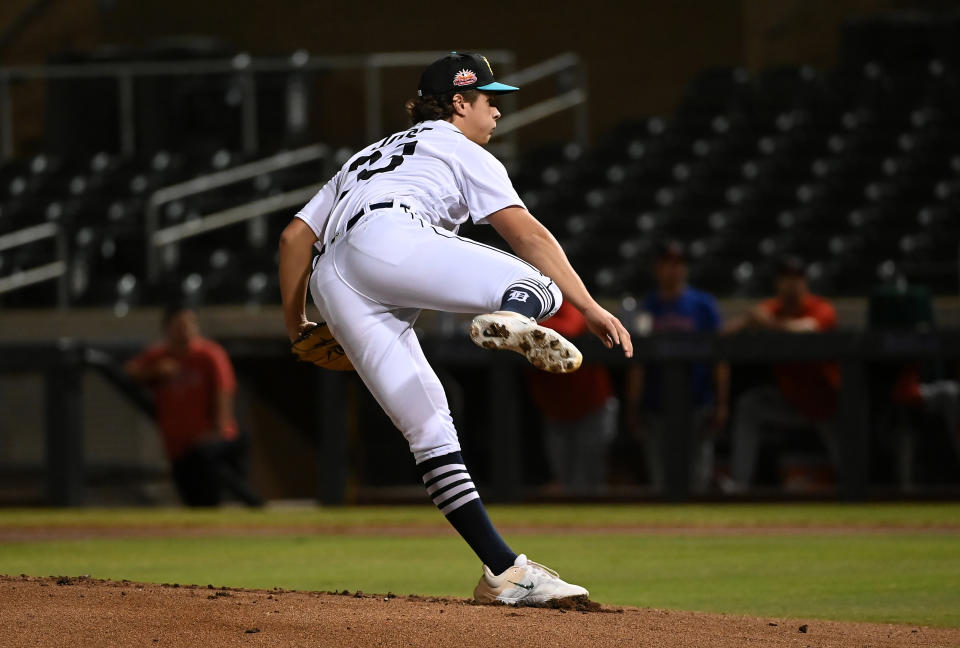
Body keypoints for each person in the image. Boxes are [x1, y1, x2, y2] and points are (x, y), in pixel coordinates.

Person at [278, 52, 632, 605]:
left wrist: (298, 324)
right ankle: (513, 313)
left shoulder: (363, 157)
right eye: (491, 100)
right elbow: (529, 235)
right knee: (541, 285)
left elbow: (294, 238)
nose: (497, 112)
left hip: (333, 279)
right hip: (391, 238)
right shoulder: (458, 146)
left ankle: (504, 573)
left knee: (430, 429)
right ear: (459, 103)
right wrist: (589, 306)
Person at [723, 256, 840, 490]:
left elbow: (808, 328)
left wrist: (768, 323)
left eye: (797, 278)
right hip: (789, 400)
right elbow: (724, 335)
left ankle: (854, 490)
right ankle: (739, 484)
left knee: (846, 460)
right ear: (778, 283)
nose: (792, 284)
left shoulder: (821, 308)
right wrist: (749, 318)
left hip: (827, 400)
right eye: (786, 279)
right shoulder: (773, 307)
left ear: (805, 282)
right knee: (750, 406)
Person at [125, 303, 259, 507]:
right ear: (167, 328)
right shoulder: (160, 356)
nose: (185, 330)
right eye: (179, 325)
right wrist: (155, 372)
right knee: (192, 502)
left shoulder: (208, 354)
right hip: (178, 446)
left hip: (209, 443)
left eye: (189, 324)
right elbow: (130, 371)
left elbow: (224, 390)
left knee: (212, 494)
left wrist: (219, 430)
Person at [625, 241, 729, 492]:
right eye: (666, 264)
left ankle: (699, 530)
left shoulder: (703, 305)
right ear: (657, 269)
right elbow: (638, 361)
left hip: (697, 401)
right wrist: (633, 405)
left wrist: (721, 402)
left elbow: (720, 358)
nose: (672, 270)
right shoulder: (647, 307)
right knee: (660, 479)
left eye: (678, 264)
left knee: (698, 477)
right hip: (656, 403)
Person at [526, 301, 618, 495]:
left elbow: (571, 327)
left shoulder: (559, 300)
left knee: (590, 478)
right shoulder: (520, 307)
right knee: (564, 478)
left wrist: (524, 327)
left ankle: (595, 524)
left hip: (591, 404)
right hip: (554, 408)